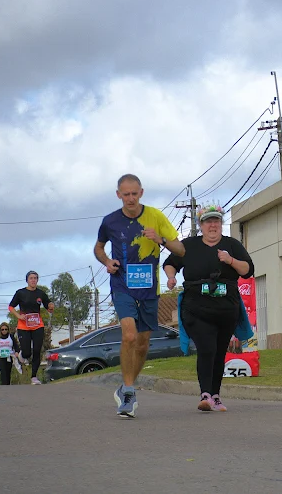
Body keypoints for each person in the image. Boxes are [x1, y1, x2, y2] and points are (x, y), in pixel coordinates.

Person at [94, 173, 185, 417]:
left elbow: (180, 249)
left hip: (148, 288)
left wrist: (160, 239)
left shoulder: (155, 216)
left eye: (135, 193)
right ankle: (129, 391)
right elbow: (99, 248)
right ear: (118, 195)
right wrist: (107, 261)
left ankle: (127, 386)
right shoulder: (110, 221)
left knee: (143, 343)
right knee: (129, 335)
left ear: (141, 193)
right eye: (126, 194)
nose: (131, 198)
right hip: (122, 285)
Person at [163, 204, 254, 412]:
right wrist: (171, 277)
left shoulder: (232, 244)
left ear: (221, 224)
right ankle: (205, 394)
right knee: (207, 347)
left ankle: (215, 396)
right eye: (208, 222)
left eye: (216, 221)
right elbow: (170, 263)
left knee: (219, 352)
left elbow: (248, 270)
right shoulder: (189, 245)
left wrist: (230, 260)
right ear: (201, 225)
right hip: (196, 307)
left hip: (226, 308)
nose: (212, 225)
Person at [8, 271, 54, 385]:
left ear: (37, 280)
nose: (33, 280)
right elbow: (11, 307)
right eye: (31, 278)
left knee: (37, 350)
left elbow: (48, 307)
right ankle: (22, 355)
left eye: (35, 278)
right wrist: (19, 316)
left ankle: (34, 377)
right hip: (24, 326)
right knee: (27, 352)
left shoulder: (40, 293)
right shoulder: (20, 293)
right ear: (27, 280)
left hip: (38, 325)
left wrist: (51, 307)